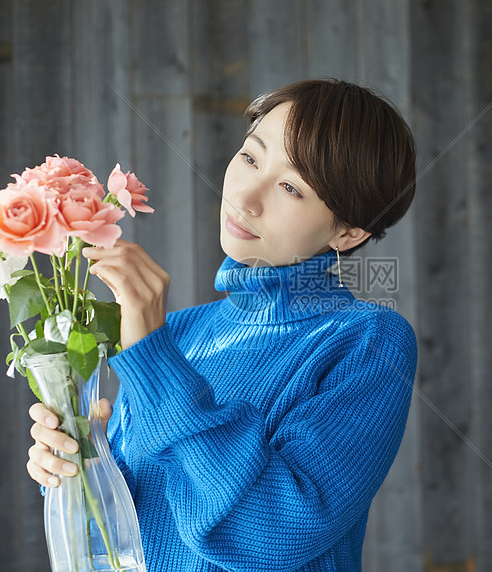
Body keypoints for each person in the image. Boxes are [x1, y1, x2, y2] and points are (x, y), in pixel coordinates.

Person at [26, 78, 419, 571]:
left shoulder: (367, 341)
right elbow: (133, 531)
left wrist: (152, 353)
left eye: (292, 188)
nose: (246, 196)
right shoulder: (182, 332)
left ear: (349, 231)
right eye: (252, 157)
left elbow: (266, 533)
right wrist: (77, 463)